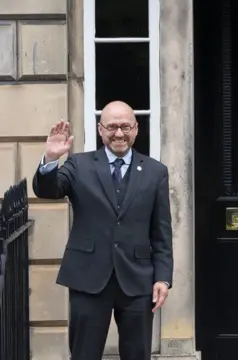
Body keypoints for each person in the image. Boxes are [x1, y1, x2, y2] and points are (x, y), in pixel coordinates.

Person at [32, 101, 173, 360]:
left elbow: (161, 231)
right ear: (100, 129)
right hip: (88, 276)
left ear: (136, 129)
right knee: (84, 354)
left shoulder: (155, 172)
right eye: (112, 127)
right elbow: (48, 190)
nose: (119, 133)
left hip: (137, 279)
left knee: (137, 354)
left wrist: (163, 278)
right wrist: (51, 159)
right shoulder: (79, 165)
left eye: (125, 127)